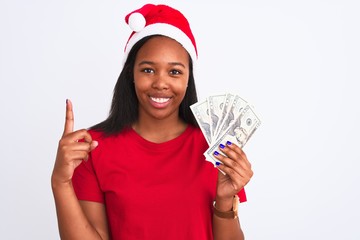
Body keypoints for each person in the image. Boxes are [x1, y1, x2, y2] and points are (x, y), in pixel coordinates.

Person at [51, 3, 253, 240]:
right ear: (131, 74)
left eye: (175, 72)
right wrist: (60, 182)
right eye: (148, 70)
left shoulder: (216, 147)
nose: (160, 83)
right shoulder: (92, 148)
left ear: (189, 79)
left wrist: (225, 200)